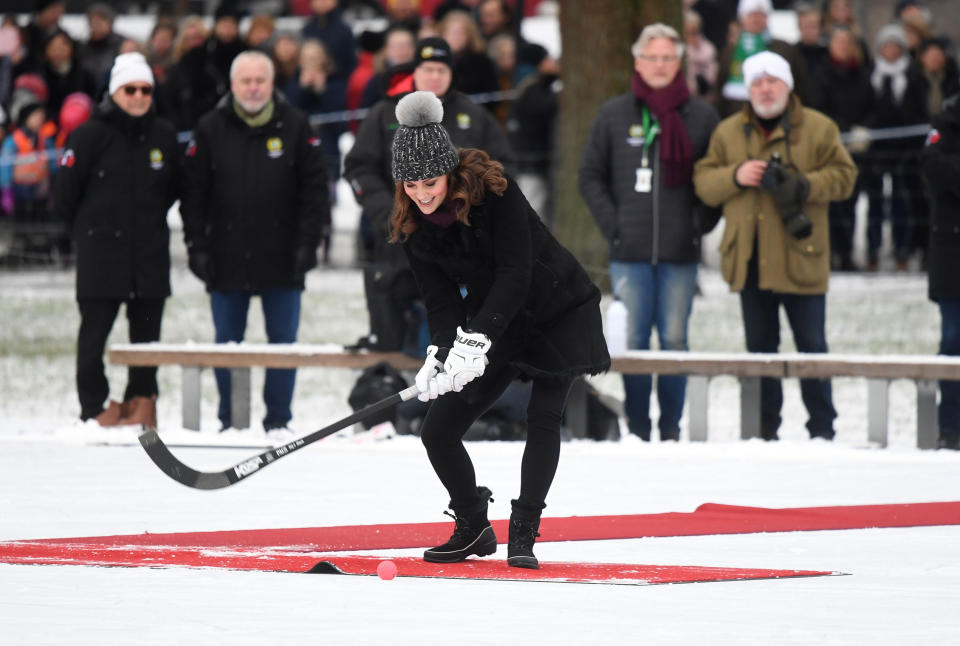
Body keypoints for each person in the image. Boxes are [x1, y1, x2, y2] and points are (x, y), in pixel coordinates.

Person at [391, 90, 610, 568]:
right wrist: (443, 351)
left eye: (430, 181)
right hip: (498, 321)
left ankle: (525, 529)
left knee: (543, 417)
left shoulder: (496, 191)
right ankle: (473, 525)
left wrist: (478, 339)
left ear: (449, 172)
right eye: (410, 185)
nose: (422, 194)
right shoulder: (414, 224)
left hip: (557, 310)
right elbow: (440, 298)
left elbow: (517, 271)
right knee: (439, 430)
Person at [693, 51, 857, 441]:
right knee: (759, 352)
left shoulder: (819, 128)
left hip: (802, 257)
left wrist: (804, 185)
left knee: (812, 348)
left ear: (788, 85)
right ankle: (763, 431)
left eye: (773, 82)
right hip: (749, 260)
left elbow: (845, 177)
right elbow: (703, 182)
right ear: (748, 90)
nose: (766, 90)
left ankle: (822, 430)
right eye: (757, 83)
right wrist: (735, 174)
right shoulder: (728, 132)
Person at [579, 24, 720, 442]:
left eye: (667, 58)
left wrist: (698, 225)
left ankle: (670, 429)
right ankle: (639, 429)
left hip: (680, 252)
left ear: (679, 64)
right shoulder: (613, 113)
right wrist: (614, 225)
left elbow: (716, 182)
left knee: (675, 340)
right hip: (630, 251)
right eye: (652, 58)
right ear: (637, 62)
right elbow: (590, 176)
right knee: (635, 342)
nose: (659, 65)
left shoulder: (702, 116)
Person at [180, 50, 329, 434]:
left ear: (271, 83)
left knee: (283, 344)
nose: (252, 88)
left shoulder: (296, 125)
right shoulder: (209, 127)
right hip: (225, 257)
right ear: (232, 85)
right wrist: (196, 246)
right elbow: (193, 196)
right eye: (245, 81)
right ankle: (232, 420)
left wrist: (308, 245)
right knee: (227, 344)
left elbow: (315, 192)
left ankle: (278, 420)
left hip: (284, 258)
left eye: (259, 80)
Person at [343, 36, 513, 353]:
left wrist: (471, 209)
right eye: (427, 69)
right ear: (414, 72)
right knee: (396, 345)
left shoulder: (474, 117)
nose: (434, 76)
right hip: (399, 247)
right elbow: (358, 167)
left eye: (441, 69)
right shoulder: (385, 113)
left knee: (451, 344)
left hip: (461, 252)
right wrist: (389, 212)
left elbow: (502, 171)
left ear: (451, 74)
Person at [53, 52, 180, 428]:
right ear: (114, 91)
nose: (139, 96)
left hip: (148, 256)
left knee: (145, 339)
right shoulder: (89, 135)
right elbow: (64, 196)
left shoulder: (164, 134)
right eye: (130, 89)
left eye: (145, 89)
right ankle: (94, 406)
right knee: (93, 337)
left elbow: (174, 189)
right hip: (101, 257)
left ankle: (142, 400)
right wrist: (90, 232)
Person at [920, 95, 960, 450]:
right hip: (952, 252)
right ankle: (950, 426)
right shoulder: (944, 122)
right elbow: (934, 170)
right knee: (952, 341)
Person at [864, 24, 912, 271]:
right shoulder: (871, 74)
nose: (891, 50)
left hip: (904, 149)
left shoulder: (911, 75)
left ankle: (902, 249)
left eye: (895, 45)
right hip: (875, 149)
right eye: (886, 45)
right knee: (874, 202)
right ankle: (873, 249)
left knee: (901, 201)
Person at [716, 0, 811, 117]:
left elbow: (800, 85)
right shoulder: (731, 50)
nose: (756, 19)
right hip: (736, 116)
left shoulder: (784, 49)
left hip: (781, 117)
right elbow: (720, 86)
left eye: (761, 14)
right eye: (751, 14)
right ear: (742, 19)